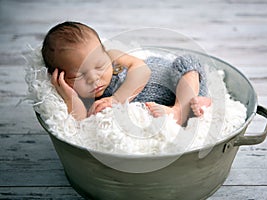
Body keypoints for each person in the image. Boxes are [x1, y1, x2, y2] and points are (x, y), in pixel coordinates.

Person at [42, 21, 211, 125]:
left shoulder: (114, 56)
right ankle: (195, 106)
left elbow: (142, 71)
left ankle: (181, 109)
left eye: (100, 66)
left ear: (104, 52)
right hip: (165, 103)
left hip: (178, 79)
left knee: (186, 63)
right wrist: (68, 95)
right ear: (60, 77)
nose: (93, 79)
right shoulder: (90, 100)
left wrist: (117, 99)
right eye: (78, 76)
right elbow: (80, 122)